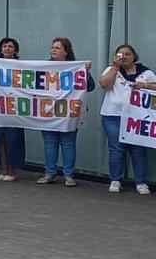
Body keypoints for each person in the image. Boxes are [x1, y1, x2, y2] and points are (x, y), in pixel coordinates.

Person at [37, 37, 95, 186]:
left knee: (68, 144)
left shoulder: (75, 67)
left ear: (66, 51)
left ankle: (68, 175)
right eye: (52, 47)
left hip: (69, 111)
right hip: (49, 110)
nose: (53, 50)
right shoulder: (43, 67)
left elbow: (90, 87)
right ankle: (49, 173)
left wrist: (86, 73)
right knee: (50, 143)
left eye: (57, 48)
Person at [98, 43, 156, 194]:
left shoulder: (145, 72)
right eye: (120, 54)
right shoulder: (111, 70)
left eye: (127, 54)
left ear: (134, 57)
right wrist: (115, 67)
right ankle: (115, 180)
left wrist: (144, 85)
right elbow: (104, 84)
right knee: (116, 148)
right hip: (113, 116)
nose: (123, 57)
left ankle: (141, 182)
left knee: (138, 149)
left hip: (137, 117)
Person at [0, 38, 26, 182]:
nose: (7, 48)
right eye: (4, 46)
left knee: (13, 140)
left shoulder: (21, 65)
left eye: (10, 46)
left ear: (15, 50)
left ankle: (12, 170)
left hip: (15, 107)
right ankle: (2, 168)